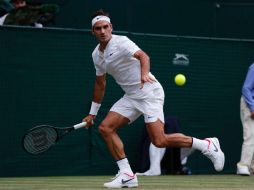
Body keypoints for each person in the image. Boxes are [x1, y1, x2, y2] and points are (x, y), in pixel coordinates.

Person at [82, 9, 225, 188]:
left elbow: (143, 56)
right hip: (132, 96)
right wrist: (92, 113)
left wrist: (143, 74)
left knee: (159, 140)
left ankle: (206, 144)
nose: (102, 31)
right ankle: (127, 174)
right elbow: (100, 84)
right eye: (98, 29)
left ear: (111, 27)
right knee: (105, 128)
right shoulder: (96, 55)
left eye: (105, 27)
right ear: (93, 32)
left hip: (149, 92)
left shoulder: (122, 42)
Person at [236, 63, 254, 176]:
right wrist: (252, 107)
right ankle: (243, 166)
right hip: (250, 103)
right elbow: (246, 88)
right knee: (250, 135)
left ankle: (252, 167)